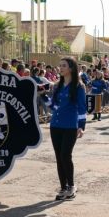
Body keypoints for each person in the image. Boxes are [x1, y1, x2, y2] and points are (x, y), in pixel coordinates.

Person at [47, 57, 86, 200]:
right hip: (55, 125)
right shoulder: (57, 85)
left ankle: (71, 186)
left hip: (70, 126)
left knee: (65, 155)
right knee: (58, 157)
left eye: (64, 65)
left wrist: (81, 127)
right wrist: (44, 97)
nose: (60, 68)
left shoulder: (78, 87)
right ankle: (63, 188)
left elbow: (82, 108)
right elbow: (54, 106)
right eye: (60, 65)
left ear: (71, 68)